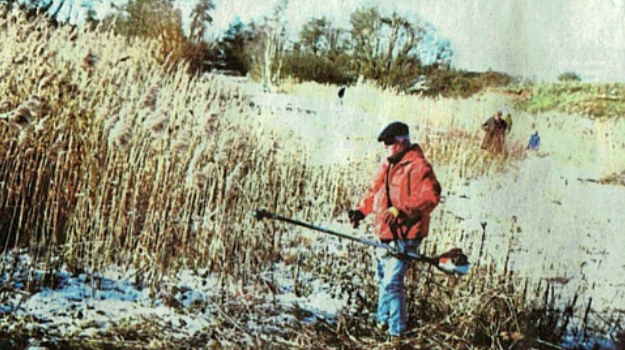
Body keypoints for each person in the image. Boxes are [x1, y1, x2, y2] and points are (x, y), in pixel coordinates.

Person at [348, 121, 442, 340]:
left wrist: (402, 210)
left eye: (389, 142)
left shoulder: (419, 166)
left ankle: (397, 334)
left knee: (392, 282)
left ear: (402, 142)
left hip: (407, 235)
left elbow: (431, 196)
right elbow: (374, 190)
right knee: (383, 278)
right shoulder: (388, 164)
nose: (385, 146)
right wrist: (361, 211)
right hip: (385, 232)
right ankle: (381, 323)